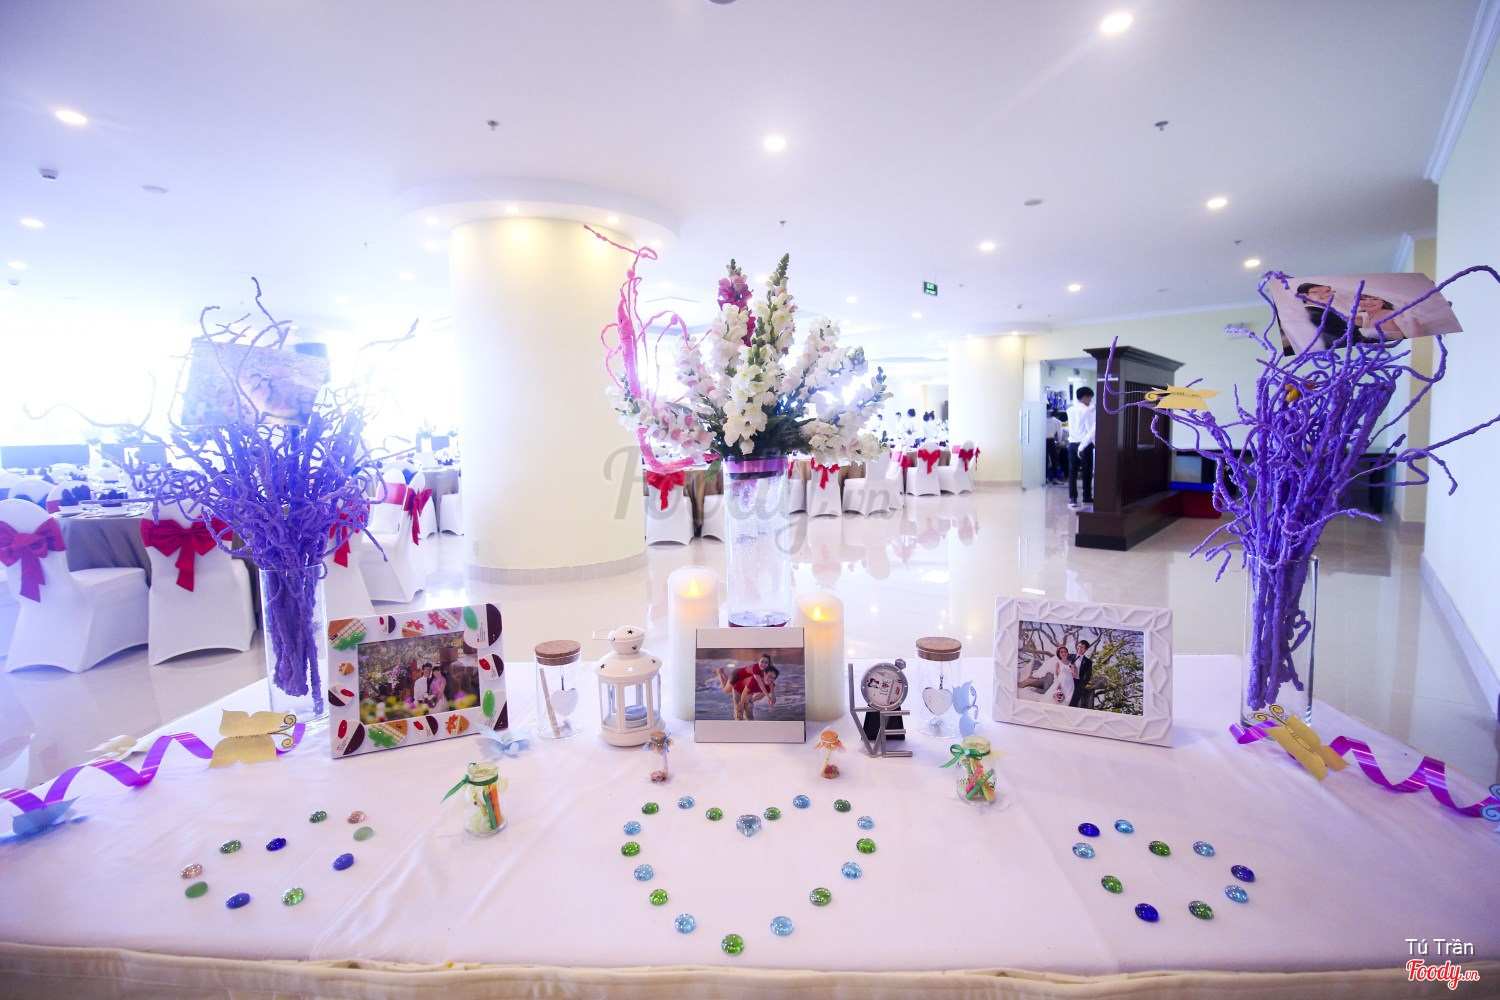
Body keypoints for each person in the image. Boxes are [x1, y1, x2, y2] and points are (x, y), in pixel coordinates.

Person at [714, 654, 780, 720]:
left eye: (766, 663)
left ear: (768, 664)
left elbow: (771, 683)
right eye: (762, 661)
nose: (763, 664)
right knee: (726, 690)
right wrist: (768, 697)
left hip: (745, 682)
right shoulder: (755, 668)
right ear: (758, 661)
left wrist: (773, 696)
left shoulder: (767, 672)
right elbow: (761, 684)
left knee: (748, 709)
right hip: (736, 676)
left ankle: (722, 673)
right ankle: (720, 672)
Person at [1066, 387, 1096, 508]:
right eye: (1090, 398)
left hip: (1072, 443)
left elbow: (1081, 415)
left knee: (1072, 472)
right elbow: (1090, 430)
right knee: (1086, 472)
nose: (1090, 400)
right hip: (1084, 445)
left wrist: (1093, 407)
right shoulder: (1086, 410)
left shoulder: (1070, 410)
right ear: (1085, 397)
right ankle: (1086, 497)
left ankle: (1072, 499)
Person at [1068, 639, 1094, 710]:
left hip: (1078, 684)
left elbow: (1088, 676)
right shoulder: (1070, 656)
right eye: (1079, 646)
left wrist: (1082, 686)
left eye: (1082, 647)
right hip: (1067, 682)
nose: (1079, 648)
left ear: (1086, 649)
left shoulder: (1088, 662)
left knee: (1073, 704)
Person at [1045, 410, 1064, 484]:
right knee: (1054, 460)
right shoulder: (1057, 421)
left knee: (1045, 460)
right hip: (1051, 440)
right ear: (1057, 415)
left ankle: (1045, 478)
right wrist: (1059, 442)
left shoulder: (1043, 420)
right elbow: (1059, 434)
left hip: (1043, 441)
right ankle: (1054, 478)